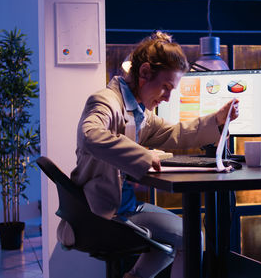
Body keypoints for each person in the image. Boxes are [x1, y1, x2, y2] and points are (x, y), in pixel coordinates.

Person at [59, 31, 239, 278]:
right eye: (166, 87)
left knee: (176, 240)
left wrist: (216, 121)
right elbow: (91, 135)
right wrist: (143, 155)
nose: (167, 98)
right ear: (144, 73)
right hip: (103, 215)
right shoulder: (106, 101)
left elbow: (173, 133)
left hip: (124, 207)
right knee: (191, 237)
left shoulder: (139, 113)